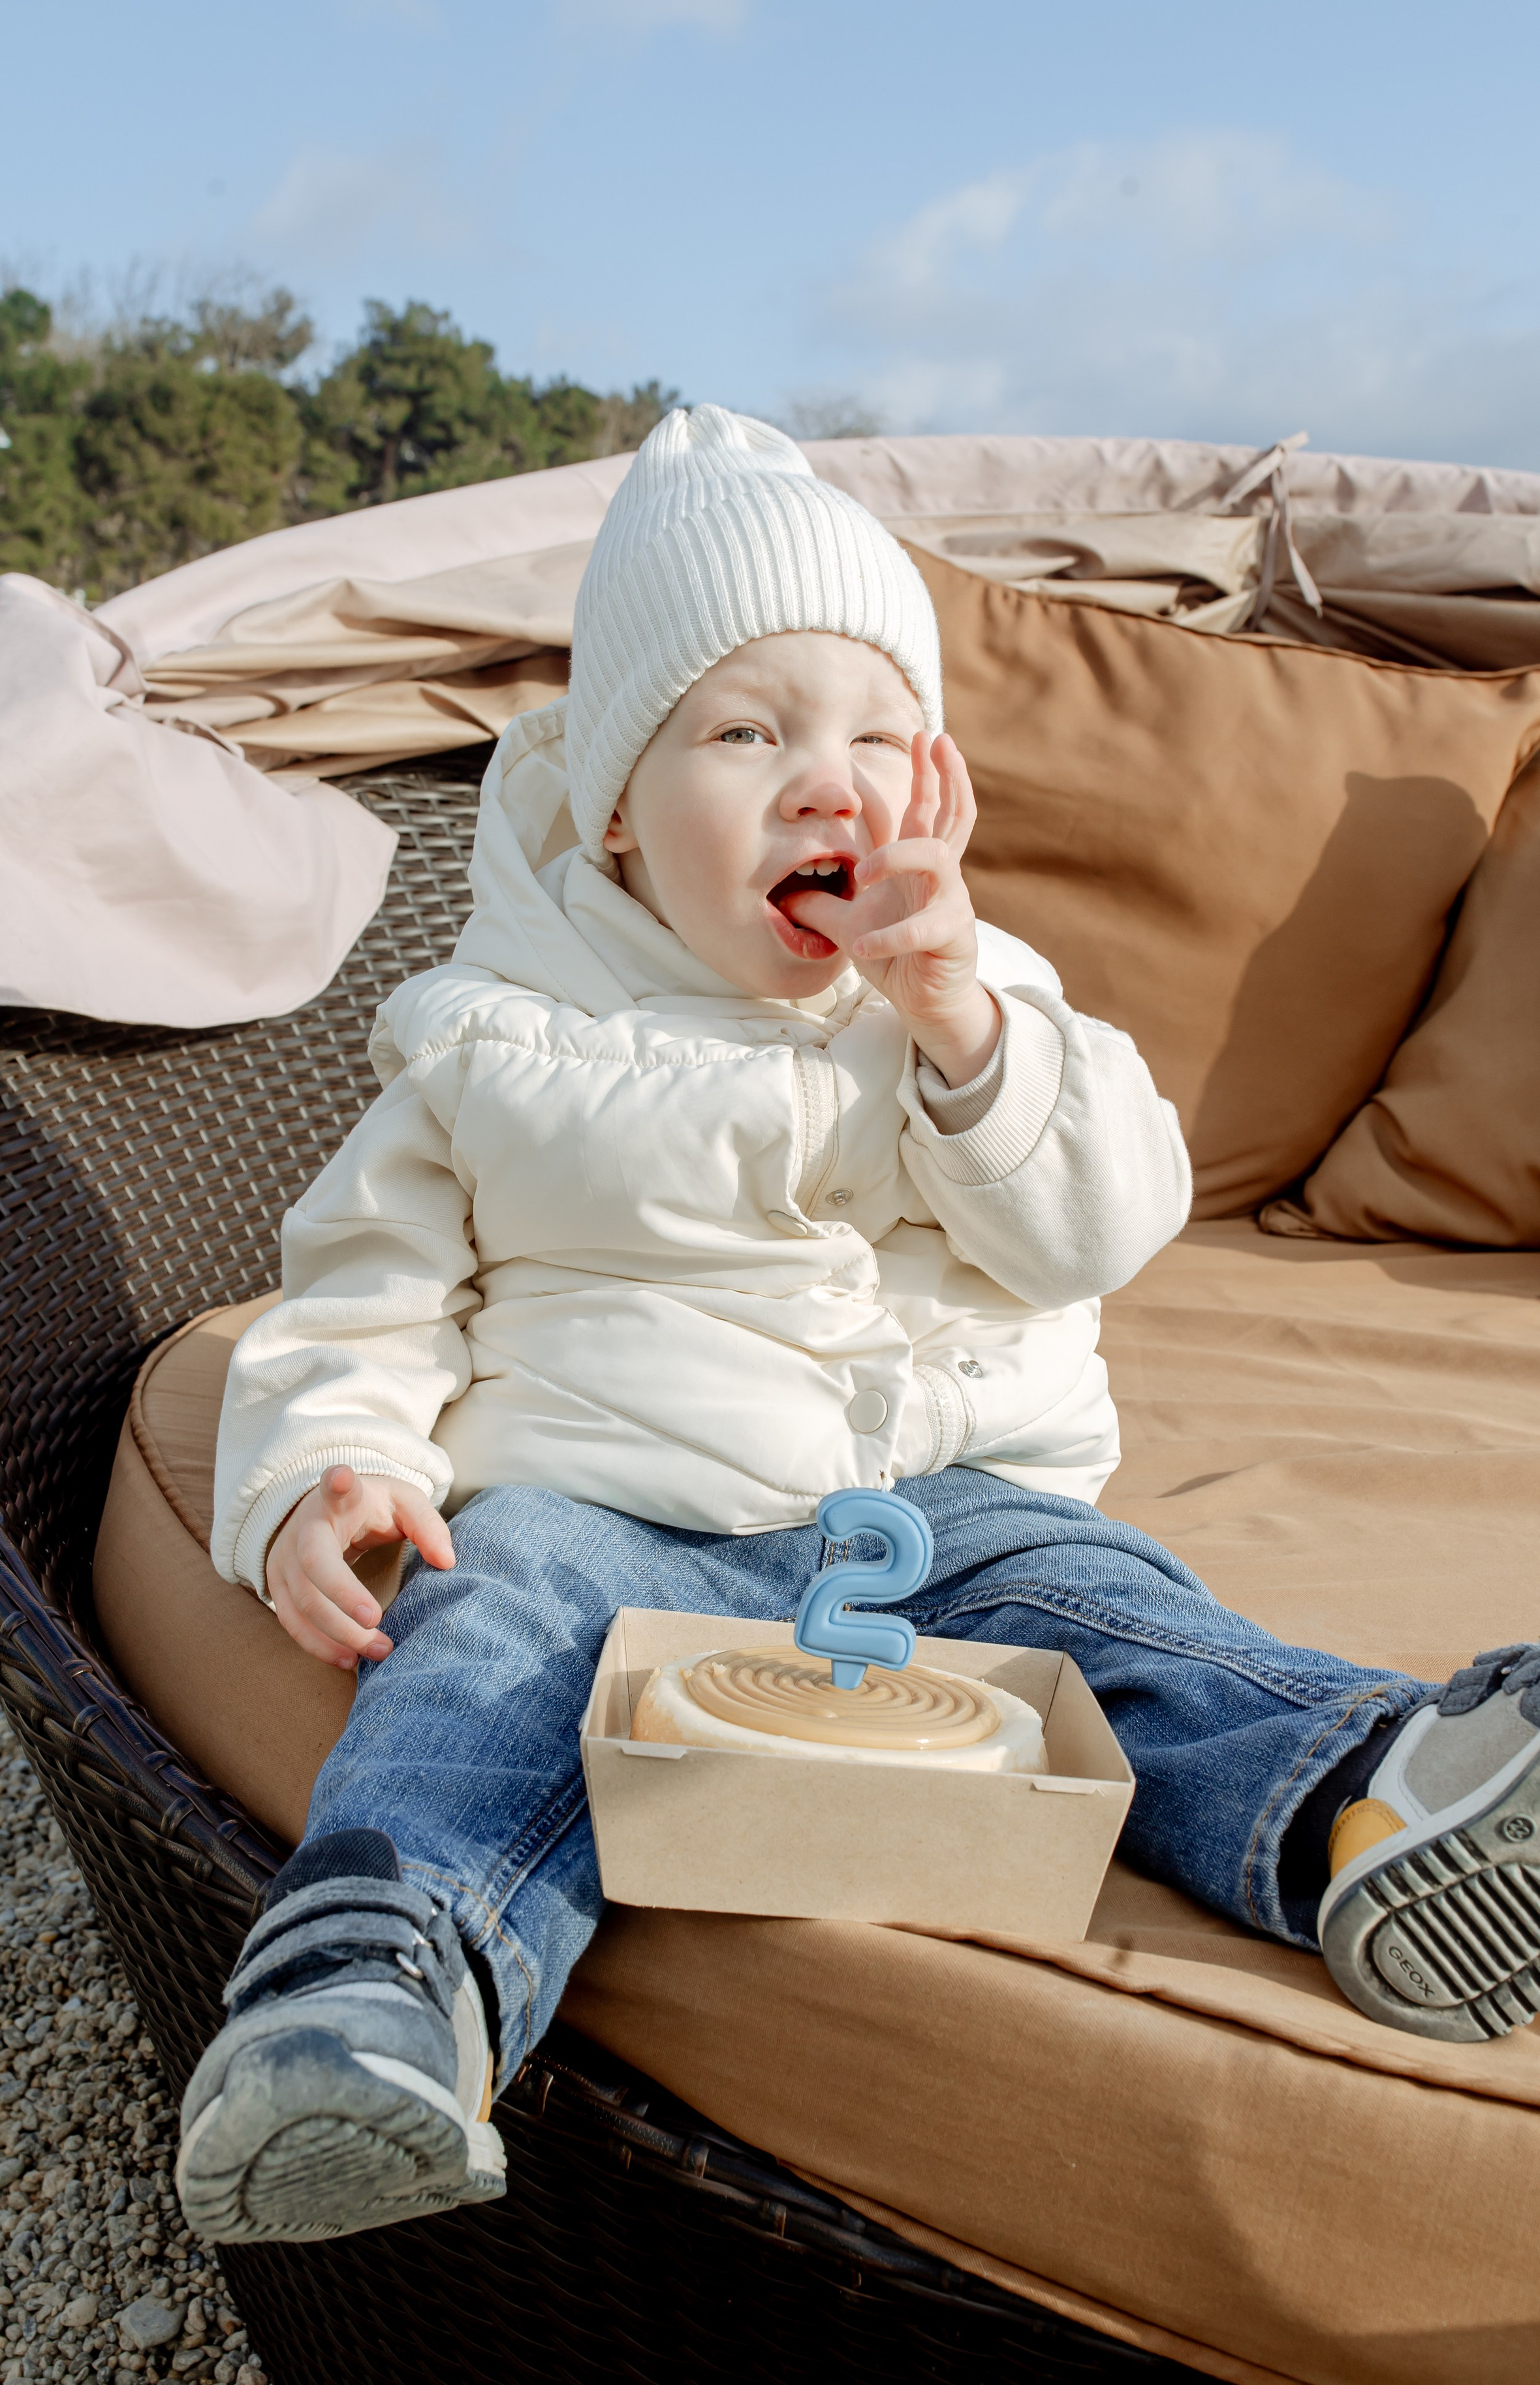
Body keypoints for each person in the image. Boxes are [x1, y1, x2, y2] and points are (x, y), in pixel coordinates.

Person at [178, 406, 1540, 2248]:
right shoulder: (495, 1034)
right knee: (486, 1651)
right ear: (615, 808)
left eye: (881, 738)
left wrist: (967, 1029)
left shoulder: (987, 998)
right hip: (611, 1507)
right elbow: (366, 1289)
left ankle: (1380, 1805)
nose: (831, 785)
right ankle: (377, 1995)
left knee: (1130, 1628)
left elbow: (1096, 1231)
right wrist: (332, 1465)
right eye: (747, 734)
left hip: (950, 1504)